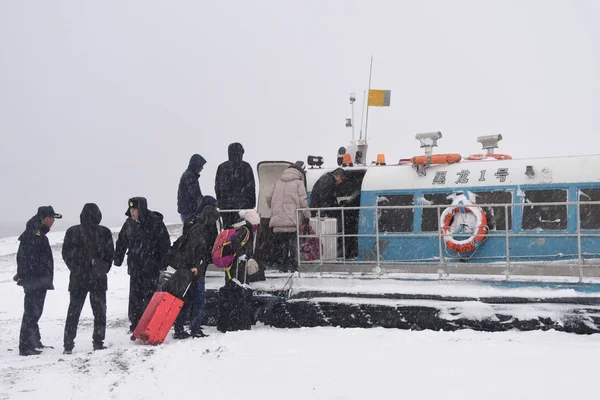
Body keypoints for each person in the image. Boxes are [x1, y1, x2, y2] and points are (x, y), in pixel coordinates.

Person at [61, 203, 114, 354]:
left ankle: (68, 344)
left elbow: (65, 254)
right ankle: (98, 342)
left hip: (78, 278)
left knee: (74, 311)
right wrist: (102, 269)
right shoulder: (104, 232)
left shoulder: (72, 231)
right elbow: (110, 254)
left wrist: (76, 268)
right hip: (98, 278)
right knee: (99, 311)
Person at [114, 197, 171, 333]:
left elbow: (164, 244)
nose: (132, 212)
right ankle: (135, 324)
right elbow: (121, 242)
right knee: (135, 297)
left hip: (151, 267)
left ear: (142, 209)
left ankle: (149, 324)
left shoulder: (155, 223)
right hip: (135, 267)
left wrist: (163, 264)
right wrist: (118, 259)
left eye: (135, 209)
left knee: (150, 297)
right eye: (131, 209)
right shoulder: (129, 224)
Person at [16, 206, 62, 356]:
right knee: (31, 312)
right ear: (46, 218)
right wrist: (31, 276)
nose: (53, 222)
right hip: (35, 280)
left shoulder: (37, 231)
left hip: (37, 280)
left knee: (35, 312)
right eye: (52, 219)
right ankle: (25, 346)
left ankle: (35, 341)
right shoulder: (34, 233)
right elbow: (27, 257)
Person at [173, 196, 221, 339]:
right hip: (195, 270)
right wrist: (194, 266)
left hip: (190, 268)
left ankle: (180, 328)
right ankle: (194, 329)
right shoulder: (201, 229)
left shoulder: (192, 223)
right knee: (198, 300)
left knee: (186, 300)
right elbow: (194, 249)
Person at [266, 163, 311, 272]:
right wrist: (307, 215)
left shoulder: (278, 183)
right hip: (292, 221)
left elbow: (268, 198)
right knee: (293, 246)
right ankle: (293, 267)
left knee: (281, 245)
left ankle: (282, 266)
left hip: (277, 222)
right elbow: (303, 202)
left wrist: (275, 208)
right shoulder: (298, 183)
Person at [215, 143, 256, 228]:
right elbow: (251, 187)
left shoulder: (222, 167)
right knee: (242, 231)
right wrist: (252, 204)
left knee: (228, 230)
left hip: (226, 208)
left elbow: (217, 188)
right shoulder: (246, 167)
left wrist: (219, 202)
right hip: (243, 207)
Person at [227, 209, 261, 282]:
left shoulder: (242, 228)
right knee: (240, 282)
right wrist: (241, 254)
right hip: (238, 263)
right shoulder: (244, 229)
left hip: (237, 263)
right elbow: (234, 239)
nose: (256, 227)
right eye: (255, 224)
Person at [178, 154, 207, 223]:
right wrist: (203, 203)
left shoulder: (188, 175)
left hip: (187, 210)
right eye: (201, 166)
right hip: (189, 211)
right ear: (196, 166)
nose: (202, 168)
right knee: (192, 231)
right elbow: (196, 194)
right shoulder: (189, 176)